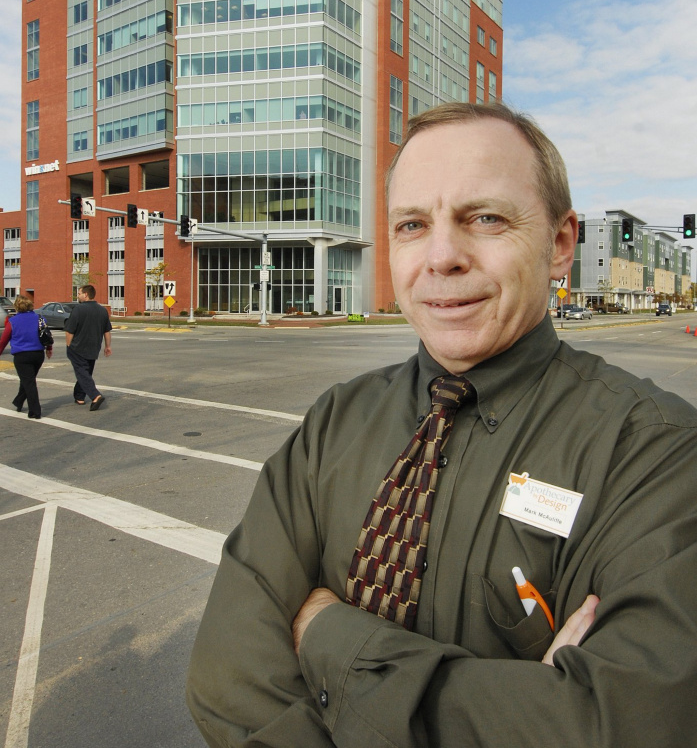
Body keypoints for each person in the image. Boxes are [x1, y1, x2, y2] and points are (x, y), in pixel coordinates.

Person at [186, 102, 697, 748]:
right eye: (411, 224)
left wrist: (323, 631)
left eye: (483, 217)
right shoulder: (334, 420)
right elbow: (228, 676)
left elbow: (615, 724)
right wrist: (521, 705)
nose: (442, 255)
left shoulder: (654, 452)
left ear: (559, 243)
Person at [0, 294, 53, 419]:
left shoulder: (12, 321)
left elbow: (3, 341)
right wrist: (49, 349)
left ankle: (35, 411)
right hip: (38, 355)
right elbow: (46, 334)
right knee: (27, 380)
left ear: (17, 306)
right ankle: (18, 401)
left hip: (21, 356)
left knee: (29, 382)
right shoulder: (39, 318)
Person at [65, 284, 112, 411]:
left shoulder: (78, 309)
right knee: (86, 372)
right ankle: (79, 397)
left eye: (79, 293)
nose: (78, 295)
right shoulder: (102, 310)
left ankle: (95, 396)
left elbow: (70, 330)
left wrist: (68, 345)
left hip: (78, 347)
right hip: (94, 347)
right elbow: (107, 331)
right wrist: (108, 346)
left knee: (82, 373)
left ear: (86, 294)